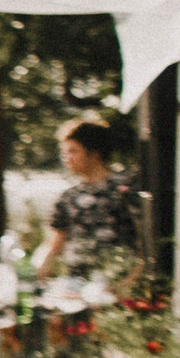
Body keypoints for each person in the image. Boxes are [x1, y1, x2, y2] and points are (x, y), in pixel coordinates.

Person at [35, 117, 144, 279]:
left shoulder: (125, 189)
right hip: (77, 288)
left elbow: (145, 243)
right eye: (64, 152)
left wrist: (128, 284)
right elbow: (55, 243)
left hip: (117, 284)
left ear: (94, 153)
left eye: (73, 151)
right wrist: (39, 269)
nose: (66, 158)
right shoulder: (69, 197)